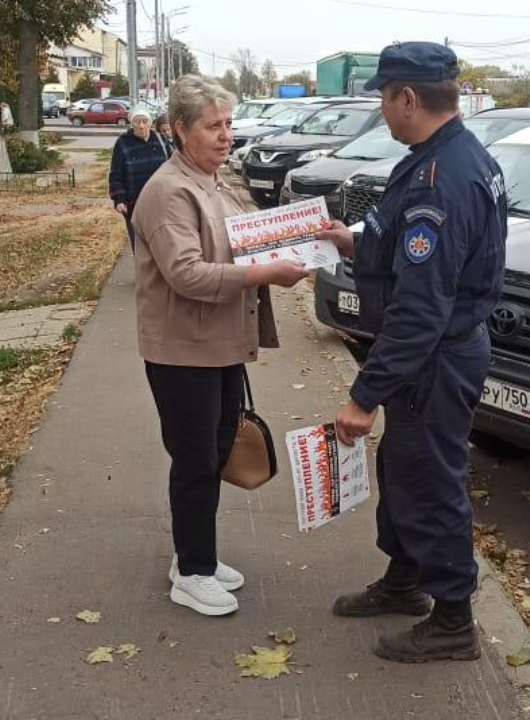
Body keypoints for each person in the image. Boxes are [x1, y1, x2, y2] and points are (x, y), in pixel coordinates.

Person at [315, 42, 508, 662]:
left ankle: (453, 621)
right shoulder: (441, 156)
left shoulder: (441, 177)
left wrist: (364, 394)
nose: (381, 109)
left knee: (429, 481)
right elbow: (401, 245)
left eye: (382, 97)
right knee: (404, 468)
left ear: (408, 98)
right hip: (434, 356)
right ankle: (406, 584)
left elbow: (422, 307)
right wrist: (354, 242)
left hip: (435, 358)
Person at [134, 75, 309, 617]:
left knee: (213, 452)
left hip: (220, 345)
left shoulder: (211, 180)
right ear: (180, 129)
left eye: (229, 124)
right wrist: (263, 271)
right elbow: (186, 274)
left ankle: (194, 557)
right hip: (183, 351)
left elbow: (249, 234)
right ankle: (192, 572)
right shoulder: (169, 190)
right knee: (194, 460)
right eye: (213, 126)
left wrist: (305, 232)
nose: (225, 135)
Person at [109, 109, 171, 252]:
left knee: (163, 242)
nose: (142, 126)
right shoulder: (123, 143)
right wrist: (119, 199)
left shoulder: (161, 140)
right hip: (134, 204)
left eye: (145, 121)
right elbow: (116, 174)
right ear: (132, 124)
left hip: (161, 202)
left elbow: (174, 167)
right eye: (137, 122)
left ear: (150, 123)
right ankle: (144, 272)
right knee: (140, 244)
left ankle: (162, 272)